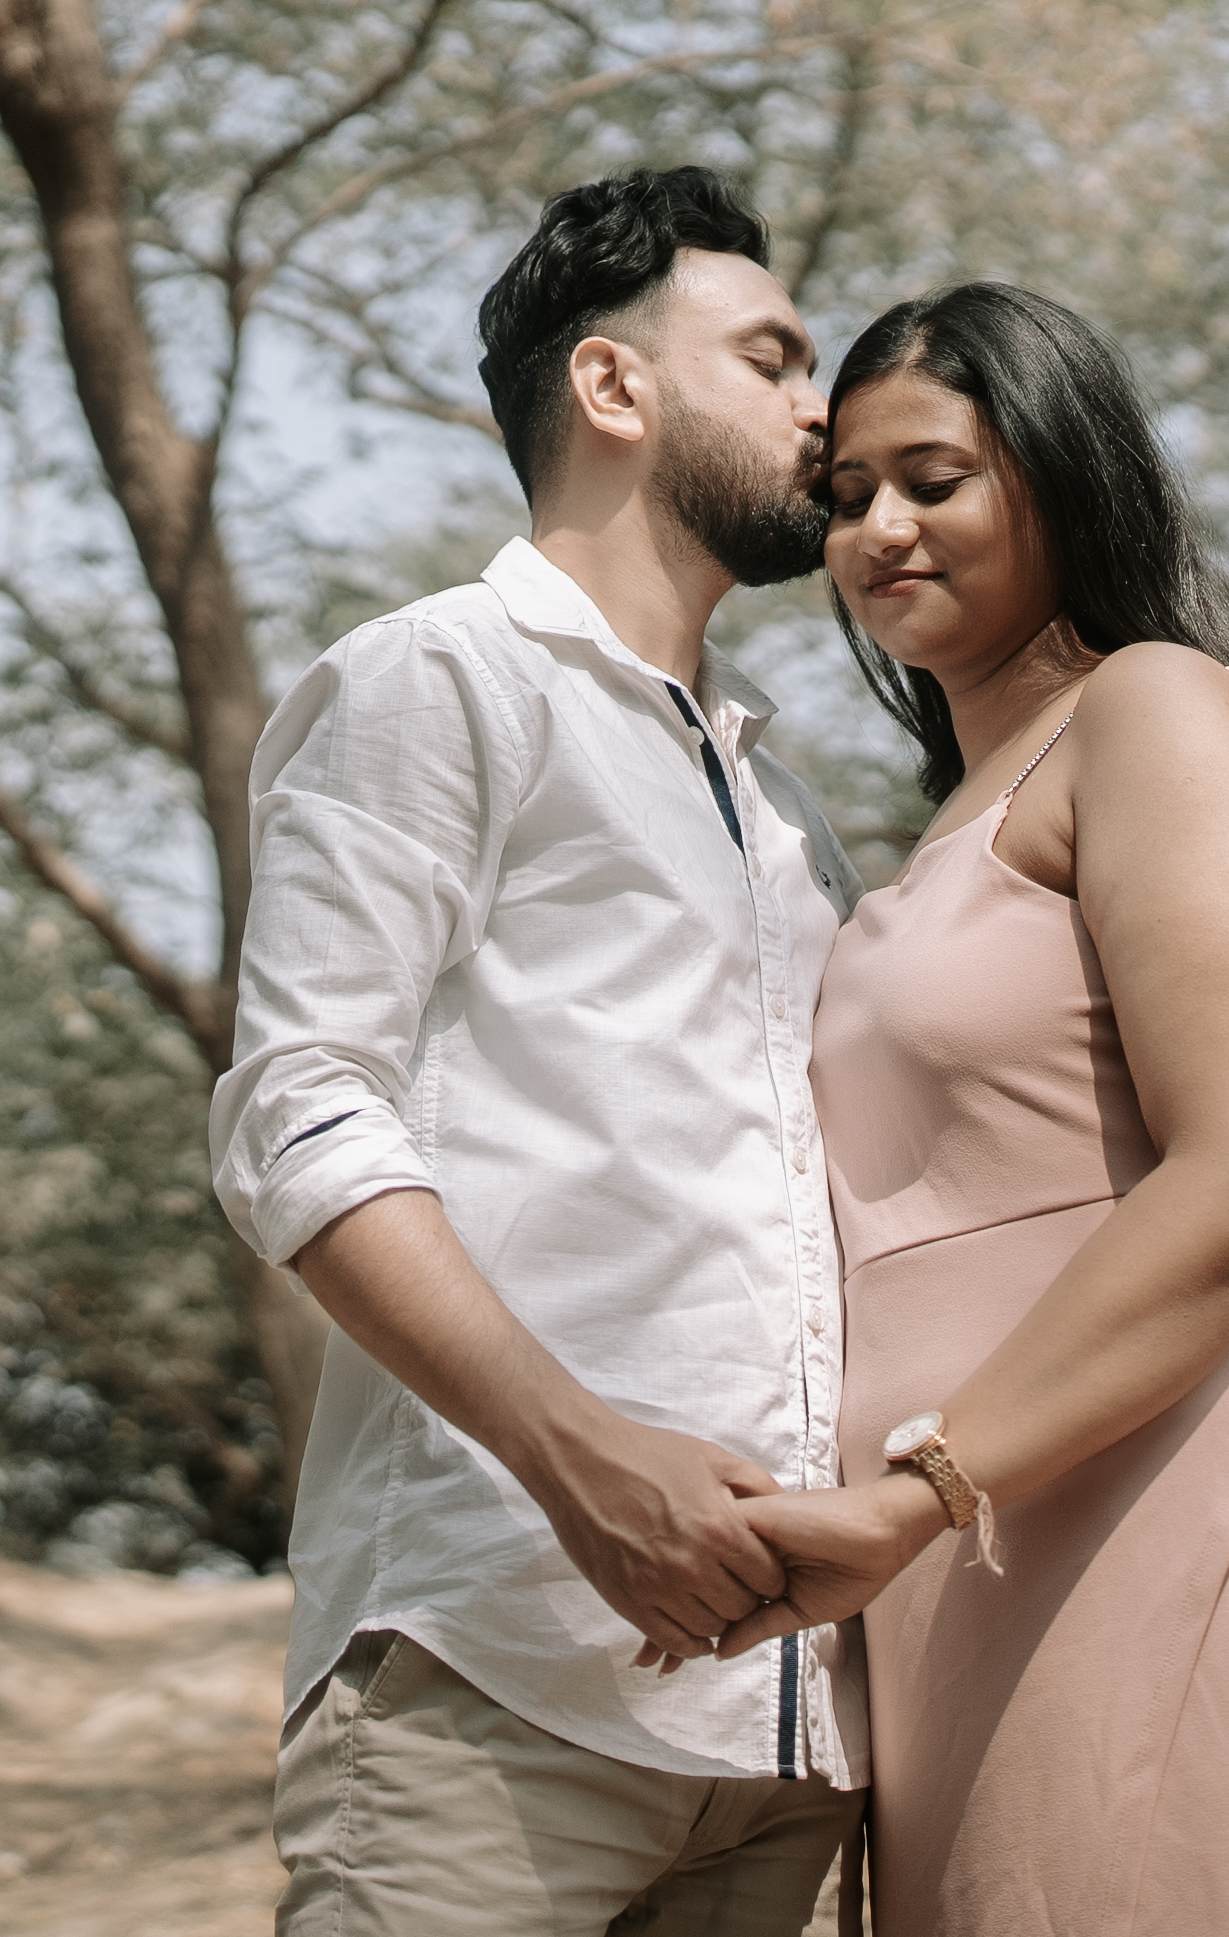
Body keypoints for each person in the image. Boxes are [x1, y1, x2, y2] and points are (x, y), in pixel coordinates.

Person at [690, 280, 1229, 1936]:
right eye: (847, 499)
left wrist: (921, 1497)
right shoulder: (952, 821)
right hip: (962, 1565)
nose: (878, 529)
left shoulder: (1154, 711)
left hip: (1146, 1488)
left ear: (1063, 475)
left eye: (934, 478)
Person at [208, 167, 871, 1936]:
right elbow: (297, 1116)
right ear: (613, 387)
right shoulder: (440, 679)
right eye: (778, 358)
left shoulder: (794, 814)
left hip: (794, 1741)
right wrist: (583, 1459)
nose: (827, 411)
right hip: (494, 1685)